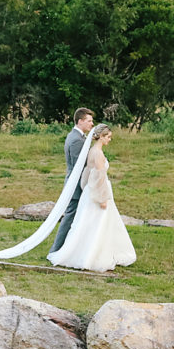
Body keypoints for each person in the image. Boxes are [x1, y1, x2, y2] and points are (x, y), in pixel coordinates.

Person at [47, 124, 136, 272]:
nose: (109, 140)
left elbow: (87, 175)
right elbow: (98, 177)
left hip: (89, 192)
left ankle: (84, 252)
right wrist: (102, 199)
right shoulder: (98, 154)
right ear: (101, 137)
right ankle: (92, 256)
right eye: (108, 137)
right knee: (97, 225)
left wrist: (86, 190)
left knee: (86, 224)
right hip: (97, 193)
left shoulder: (91, 151)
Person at [50, 107, 94, 252]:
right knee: (69, 217)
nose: (91, 124)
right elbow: (79, 167)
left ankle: (73, 247)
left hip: (77, 184)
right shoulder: (76, 140)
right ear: (80, 121)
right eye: (89, 121)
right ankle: (56, 249)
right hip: (76, 185)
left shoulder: (77, 136)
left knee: (77, 217)